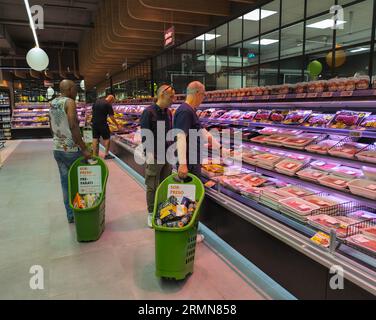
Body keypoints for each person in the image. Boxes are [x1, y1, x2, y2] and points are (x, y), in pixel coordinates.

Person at [174, 81, 227, 242]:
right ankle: (188, 232)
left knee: (189, 196)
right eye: (203, 95)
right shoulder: (185, 111)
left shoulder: (189, 111)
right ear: (197, 93)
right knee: (189, 198)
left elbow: (202, 131)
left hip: (191, 160)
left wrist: (221, 149)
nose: (203, 98)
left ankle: (187, 229)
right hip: (188, 162)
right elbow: (181, 137)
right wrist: (183, 163)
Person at [50, 80, 91, 224]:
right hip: (71, 149)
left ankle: (70, 215)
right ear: (70, 88)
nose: (76, 91)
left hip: (57, 148)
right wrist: (84, 148)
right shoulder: (70, 102)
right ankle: (81, 211)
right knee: (80, 182)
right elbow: (73, 125)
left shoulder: (53, 102)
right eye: (75, 89)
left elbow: (52, 125)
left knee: (65, 183)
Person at [140, 84, 175, 228]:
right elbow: (145, 135)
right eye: (171, 96)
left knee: (165, 184)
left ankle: (162, 210)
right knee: (152, 185)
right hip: (154, 156)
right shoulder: (148, 112)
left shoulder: (168, 112)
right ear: (162, 95)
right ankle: (150, 213)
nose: (173, 99)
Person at [92, 95, 121, 160]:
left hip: (94, 123)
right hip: (102, 124)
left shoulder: (96, 102)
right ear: (111, 99)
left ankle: (94, 155)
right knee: (107, 138)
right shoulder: (108, 104)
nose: (112, 103)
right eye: (112, 102)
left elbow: (94, 112)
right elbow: (111, 117)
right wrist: (117, 124)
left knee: (95, 138)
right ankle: (106, 154)